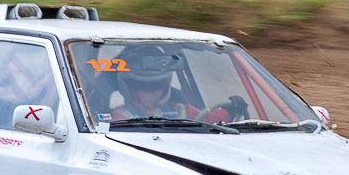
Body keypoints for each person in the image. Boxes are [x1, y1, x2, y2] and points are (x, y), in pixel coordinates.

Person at [104, 43, 246, 124]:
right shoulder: (120, 119)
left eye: (159, 85)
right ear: (132, 90)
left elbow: (209, 119)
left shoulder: (179, 109)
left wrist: (231, 110)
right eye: (147, 88)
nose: (155, 93)